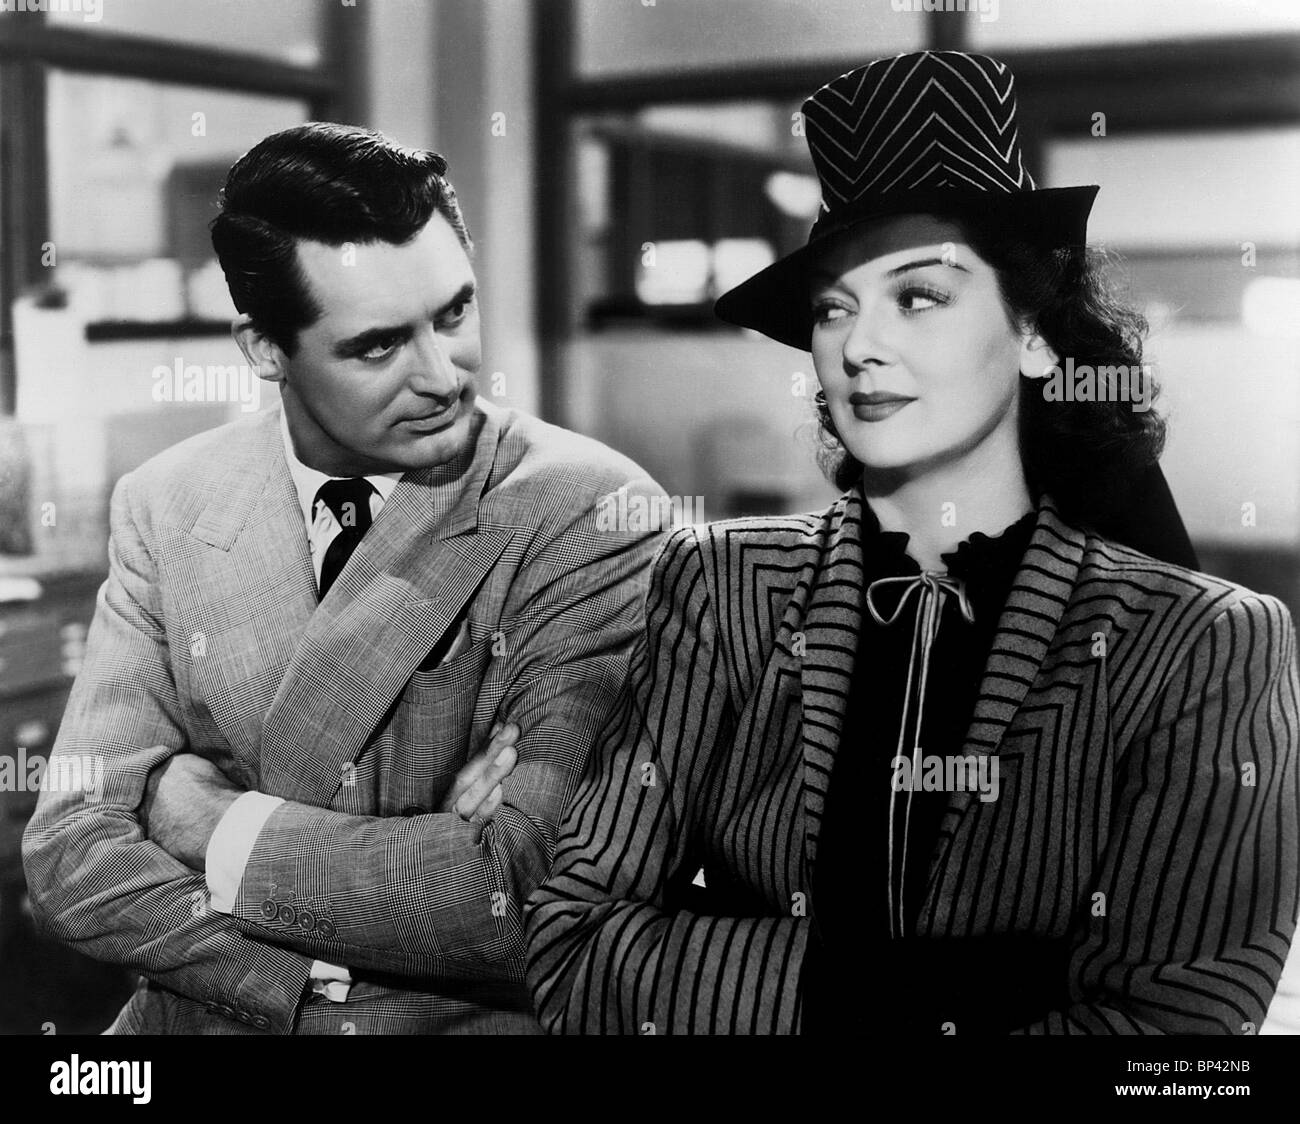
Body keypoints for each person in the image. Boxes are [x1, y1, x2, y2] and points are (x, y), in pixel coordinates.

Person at [523, 51, 1300, 1035]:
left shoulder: (1202, 643)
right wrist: (976, 991)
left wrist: (732, 952)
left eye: (918, 294)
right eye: (832, 306)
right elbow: (569, 945)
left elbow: (1171, 1035)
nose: (857, 345)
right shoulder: (722, 584)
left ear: (1033, 332)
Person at [23, 122, 666, 1034]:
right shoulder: (168, 502)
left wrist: (210, 823)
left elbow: (517, 891)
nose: (443, 377)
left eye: (454, 314)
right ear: (264, 349)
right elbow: (69, 856)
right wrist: (318, 962)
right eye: (378, 346)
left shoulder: (587, 509)